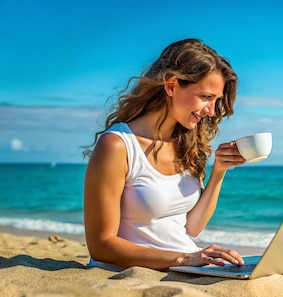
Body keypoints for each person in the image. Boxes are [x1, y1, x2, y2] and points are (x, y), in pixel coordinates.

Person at [83, 38, 246, 271]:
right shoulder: (117, 145)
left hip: (188, 267)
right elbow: (101, 246)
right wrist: (182, 259)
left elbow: (192, 228)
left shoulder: (189, 144)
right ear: (171, 86)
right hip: (139, 274)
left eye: (216, 100)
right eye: (206, 97)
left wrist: (219, 171)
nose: (211, 111)